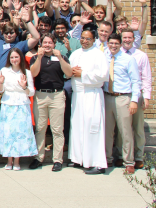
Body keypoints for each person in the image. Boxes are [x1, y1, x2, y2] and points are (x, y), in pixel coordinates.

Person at [29, 33, 72, 171]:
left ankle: (57, 160)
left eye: (50, 43)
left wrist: (60, 57)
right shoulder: (36, 58)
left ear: (54, 44)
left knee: (57, 129)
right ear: (41, 44)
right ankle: (38, 158)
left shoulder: (62, 57)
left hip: (57, 95)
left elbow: (69, 73)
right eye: (45, 42)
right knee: (40, 128)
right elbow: (34, 73)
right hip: (41, 95)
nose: (47, 45)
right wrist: (40, 57)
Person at [67, 29, 108, 174]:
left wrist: (82, 74)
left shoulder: (99, 55)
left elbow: (103, 76)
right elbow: (68, 71)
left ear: (93, 40)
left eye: (88, 39)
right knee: (78, 127)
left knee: (93, 127)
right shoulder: (76, 54)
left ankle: (97, 162)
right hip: (78, 95)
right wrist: (71, 71)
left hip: (92, 94)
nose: (84, 41)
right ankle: (79, 158)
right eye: (83, 38)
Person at [103, 34, 140, 175]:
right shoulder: (104, 57)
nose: (113, 46)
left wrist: (134, 101)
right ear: (107, 44)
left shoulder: (128, 59)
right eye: (111, 43)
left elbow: (136, 81)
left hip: (123, 97)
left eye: (116, 44)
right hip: (107, 97)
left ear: (120, 45)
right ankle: (107, 158)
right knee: (107, 131)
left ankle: (129, 162)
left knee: (125, 131)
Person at [0, 48, 37, 171]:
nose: (14, 60)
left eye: (16, 57)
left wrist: (24, 87)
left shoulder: (27, 73)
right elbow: (0, 90)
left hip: (21, 103)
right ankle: (9, 160)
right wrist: (1, 83)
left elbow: (31, 92)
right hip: (8, 103)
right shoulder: (4, 71)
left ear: (20, 58)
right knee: (8, 133)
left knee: (20, 133)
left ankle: (17, 160)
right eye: (12, 57)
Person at [118, 28, 151, 169]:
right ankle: (121, 155)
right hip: (122, 95)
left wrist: (147, 97)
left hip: (136, 95)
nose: (127, 40)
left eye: (129, 37)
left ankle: (138, 157)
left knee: (137, 128)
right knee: (123, 128)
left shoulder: (141, 55)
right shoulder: (116, 54)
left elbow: (146, 77)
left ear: (133, 39)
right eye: (124, 37)